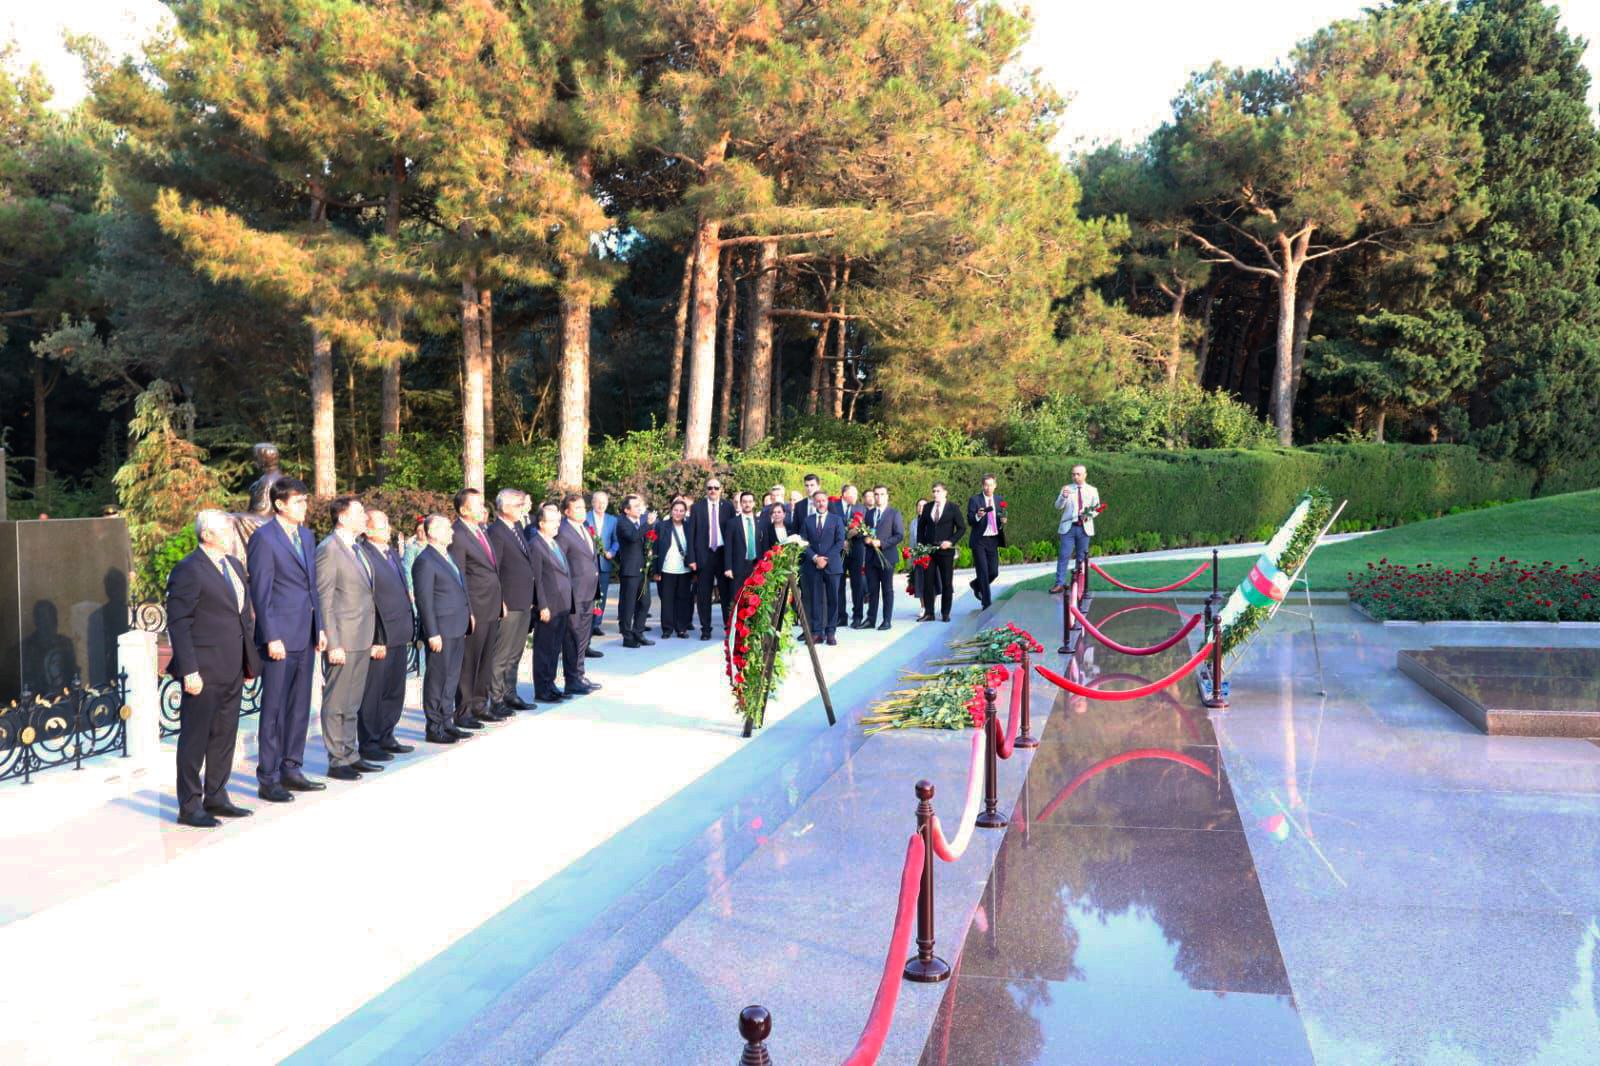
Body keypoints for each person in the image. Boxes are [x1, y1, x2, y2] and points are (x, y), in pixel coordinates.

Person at [165, 510, 260, 827]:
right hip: (203, 670)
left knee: (224, 735)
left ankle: (217, 796)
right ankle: (190, 806)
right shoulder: (188, 569)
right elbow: (179, 623)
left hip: (232, 665)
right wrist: (189, 669)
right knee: (195, 738)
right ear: (207, 535)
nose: (232, 534)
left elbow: (241, 614)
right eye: (226, 530)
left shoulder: (232, 565)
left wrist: (248, 659)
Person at [246, 477, 327, 803]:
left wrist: (318, 625)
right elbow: (261, 592)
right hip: (280, 637)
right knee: (275, 709)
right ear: (280, 504)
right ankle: (269, 777)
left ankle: (292, 767)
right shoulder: (264, 539)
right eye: (298, 502)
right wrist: (271, 636)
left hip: (305, 634)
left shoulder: (306, 536)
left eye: (305, 501)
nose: (304, 507)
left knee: (300, 707)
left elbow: (312, 587)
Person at [315, 496, 382, 781]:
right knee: (337, 701)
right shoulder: (329, 549)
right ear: (342, 517)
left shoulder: (358, 549)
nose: (364, 518)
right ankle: (337, 760)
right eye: (358, 513)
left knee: (353, 701)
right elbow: (324, 598)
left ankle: (351, 753)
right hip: (342, 639)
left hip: (362, 636)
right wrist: (333, 642)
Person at [356, 509, 415, 761]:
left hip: (399, 630)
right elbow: (368, 600)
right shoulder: (364, 555)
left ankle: (387, 735)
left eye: (387, 523)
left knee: (394, 688)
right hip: (380, 634)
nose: (388, 528)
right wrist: (375, 638)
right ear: (368, 530)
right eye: (382, 525)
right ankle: (369, 741)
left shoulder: (390, 552)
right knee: (374, 692)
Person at [412, 515, 472, 744]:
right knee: (437, 678)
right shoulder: (425, 560)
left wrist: (469, 615)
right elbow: (424, 600)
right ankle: (434, 726)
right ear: (433, 532)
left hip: (457, 625)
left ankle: (447, 721)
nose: (452, 532)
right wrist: (432, 632)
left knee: (452, 676)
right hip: (441, 629)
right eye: (447, 528)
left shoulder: (448, 556)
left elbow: (459, 587)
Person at [450, 488, 506, 728]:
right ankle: (464, 711)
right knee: (469, 662)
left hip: (491, 604)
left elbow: (491, 570)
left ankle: (481, 704)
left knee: (485, 659)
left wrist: (501, 599)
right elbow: (459, 575)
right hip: (475, 607)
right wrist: (468, 610)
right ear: (463, 510)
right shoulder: (458, 534)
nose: (482, 507)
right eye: (476, 504)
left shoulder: (481, 531)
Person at [486, 489, 536, 712]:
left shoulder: (516, 528)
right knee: (502, 653)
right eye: (518, 504)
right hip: (509, 601)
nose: (522, 508)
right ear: (504, 507)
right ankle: (496, 699)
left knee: (516, 651)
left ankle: (510, 693)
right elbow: (494, 570)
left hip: (523, 599)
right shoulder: (496, 531)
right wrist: (500, 601)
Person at [528, 502, 577, 702]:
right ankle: (542, 689)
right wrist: (543, 605)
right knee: (544, 649)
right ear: (541, 523)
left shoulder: (553, 542)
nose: (558, 525)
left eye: (558, 521)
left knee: (555, 647)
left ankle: (551, 683)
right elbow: (537, 579)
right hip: (549, 606)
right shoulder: (536, 545)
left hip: (562, 604)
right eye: (553, 521)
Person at [556, 492, 604, 690]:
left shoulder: (584, 529)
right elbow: (560, 564)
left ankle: (579, 674)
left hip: (589, 591)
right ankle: (572, 679)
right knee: (573, 637)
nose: (582, 511)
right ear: (567, 511)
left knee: (583, 636)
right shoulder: (563, 531)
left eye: (583, 507)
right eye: (577, 508)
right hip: (574, 594)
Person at [687, 477, 735, 639]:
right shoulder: (697, 508)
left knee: (726, 594)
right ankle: (705, 629)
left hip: (723, 555)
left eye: (716, 487)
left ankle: (728, 629)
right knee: (703, 595)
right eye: (709, 488)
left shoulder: (728, 507)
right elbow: (691, 535)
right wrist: (692, 559)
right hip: (704, 556)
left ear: (721, 489)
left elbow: (733, 533)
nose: (713, 490)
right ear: (706, 490)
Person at [798, 488, 845, 645]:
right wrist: (815, 557)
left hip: (832, 566)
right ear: (813, 503)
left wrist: (826, 559)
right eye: (817, 501)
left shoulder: (836, 519)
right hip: (813, 566)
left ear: (827, 502)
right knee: (816, 599)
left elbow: (840, 542)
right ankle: (817, 632)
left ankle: (831, 632)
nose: (820, 503)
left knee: (833, 600)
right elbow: (804, 543)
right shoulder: (808, 520)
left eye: (823, 500)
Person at [916, 482, 965, 622]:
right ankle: (929, 613)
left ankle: (945, 613)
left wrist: (950, 541)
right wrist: (921, 547)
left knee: (946, 582)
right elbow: (921, 528)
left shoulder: (953, 508)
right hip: (929, 550)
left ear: (945, 492)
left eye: (938, 491)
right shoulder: (927, 507)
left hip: (945, 551)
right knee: (928, 582)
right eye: (933, 491)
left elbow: (961, 528)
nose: (935, 493)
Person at [613, 494, 655, 648]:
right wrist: (648, 525)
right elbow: (632, 537)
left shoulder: (640, 522)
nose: (639, 509)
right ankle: (627, 636)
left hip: (642, 569)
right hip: (630, 570)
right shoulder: (622, 523)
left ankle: (638, 631)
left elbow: (643, 539)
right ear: (626, 510)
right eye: (636, 507)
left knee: (645, 602)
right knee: (628, 605)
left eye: (640, 506)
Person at [1053, 464, 1102, 595]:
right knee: (1064, 556)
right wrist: (1063, 496)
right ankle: (1060, 584)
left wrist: (1088, 515)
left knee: (1081, 559)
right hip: (1068, 528)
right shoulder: (1067, 489)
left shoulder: (1092, 490)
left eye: (1078, 474)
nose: (1075, 477)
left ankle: (1079, 586)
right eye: (1073, 474)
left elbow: (1097, 508)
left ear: (1085, 475)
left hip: (1084, 529)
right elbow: (1058, 506)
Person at [861, 486, 904, 631]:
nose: (879, 497)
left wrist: (882, 543)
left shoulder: (894, 513)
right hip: (871, 558)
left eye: (882, 494)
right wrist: (865, 539)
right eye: (876, 494)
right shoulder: (869, 513)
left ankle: (886, 620)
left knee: (887, 589)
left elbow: (899, 535)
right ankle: (870, 619)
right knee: (872, 590)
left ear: (887, 496)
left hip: (887, 557)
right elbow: (864, 532)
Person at [652, 499, 694, 638]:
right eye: (676, 510)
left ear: (685, 512)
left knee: (683, 599)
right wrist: (656, 570)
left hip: (684, 569)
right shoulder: (662, 526)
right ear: (671, 511)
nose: (678, 513)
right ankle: (667, 628)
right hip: (667, 568)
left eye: (681, 511)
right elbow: (656, 548)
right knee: (667, 600)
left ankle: (681, 628)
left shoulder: (689, 526)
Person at [967, 474, 1006, 611]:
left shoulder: (999, 499)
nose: (988, 487)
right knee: (983, 571)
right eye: (986, 485)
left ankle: (976, 585)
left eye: (991, 485)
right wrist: (978, 515)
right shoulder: (975, 500)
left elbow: (1001, 514)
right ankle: (986, 603)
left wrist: (1002, 521)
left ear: (995, 485)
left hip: (993, 539)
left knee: (993, 572)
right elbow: (970, 520)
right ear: (982, 486)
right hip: (979, 540)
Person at [587, 491, 618, 636]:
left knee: (602, 594)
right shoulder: (585, 518)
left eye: (604, 502)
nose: (601, 505)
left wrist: (612, 551)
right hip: (587, 563)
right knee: (588, 594)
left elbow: (616, 541)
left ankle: (596, 623)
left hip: (605, 562)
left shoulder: (612, 520)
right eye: (598, 502)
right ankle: (587, 623)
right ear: (593, 503)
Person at [837, 484, 867, 630]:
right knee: (839, 584)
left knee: (857, 584)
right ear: (844, 494)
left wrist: (855, 533)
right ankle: (841, 616)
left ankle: (858, 616)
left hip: (856, 551)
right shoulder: (833, 506)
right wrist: (842, 540)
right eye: (853, 493)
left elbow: (866, 528)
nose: (856, 496)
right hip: (839, 551)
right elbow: (831, 525)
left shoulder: (860, 508)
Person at [723, 491, 762, 598]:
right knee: (737, 599)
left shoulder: (761, 522)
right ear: (740, 503)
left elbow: (764, 544)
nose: (747, 504)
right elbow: (728, 547)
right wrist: (728, 567)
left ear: (754, 503)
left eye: (750, 501)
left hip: (756, 566)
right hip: (738, 567)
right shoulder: (732, 523)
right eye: (744, 502)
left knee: (754, 599)